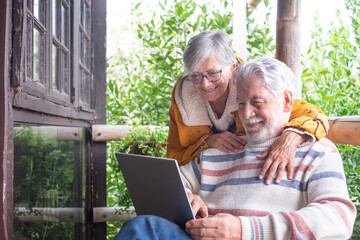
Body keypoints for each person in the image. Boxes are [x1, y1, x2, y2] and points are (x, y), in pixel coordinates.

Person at [114, 57, 356, 240]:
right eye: (240, 103)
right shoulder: (219, 150)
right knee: (141, 228)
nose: (246, 113)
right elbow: (174, 181)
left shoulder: (318, 152)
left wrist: (244, 230)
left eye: (257, 103)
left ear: (286, 101)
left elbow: (338, 217)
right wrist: (188, 198)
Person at [166, 30, 329, 185]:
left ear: (232, 68)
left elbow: (314, 115)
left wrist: (291, 138)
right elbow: (173, 159)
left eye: (213, 73)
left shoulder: (251, 85)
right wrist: (207, 142)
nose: (205, 83)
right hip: (204, 185)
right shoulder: (183, 97)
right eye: (195, 75)